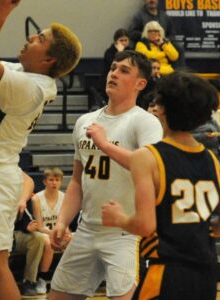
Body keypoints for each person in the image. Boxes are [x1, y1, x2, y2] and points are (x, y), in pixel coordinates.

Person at [0, 0, 82, 298]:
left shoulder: (29, 88)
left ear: (49, 60)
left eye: (40, 39)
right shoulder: (27, 76)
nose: (30, 38)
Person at [101, 72, 220, 300]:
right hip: (206, 274)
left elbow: (145, 226)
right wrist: (192, 231)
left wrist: (119, 219)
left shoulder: (147, 157)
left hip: (166, 272)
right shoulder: (211, 159)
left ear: (162, 108)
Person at [49, 50, 163, 299]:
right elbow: (77, 182)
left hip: (125, 233)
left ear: (140, 84)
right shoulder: (85, 121)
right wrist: (62, 221)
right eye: (113, 68)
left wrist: (104, 144)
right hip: (87, 229)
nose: (114, 73)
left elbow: (150, 170)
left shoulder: (145, 122)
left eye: (124, 70)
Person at [31, 167, 67, 294]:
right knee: (47, 242)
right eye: (51, 180)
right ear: (45, 182)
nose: (54, 183)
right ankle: (42, 279)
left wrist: (65, 234)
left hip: (59, 232)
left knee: (74, 239)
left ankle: (68, 280)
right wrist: (53, 234)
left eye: (57, 180)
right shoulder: (36, 199)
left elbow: (66, 224)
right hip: (43, 233)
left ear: (61, 182)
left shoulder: (65, 197)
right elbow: (40, 227)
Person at [12, 173, 47, 296]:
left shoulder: (20, 198)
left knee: (37, 238)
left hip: (14, 234)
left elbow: (28, 220)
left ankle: (29, 280)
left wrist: (28, 227)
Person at [99, 28, 132, 103]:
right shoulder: (109, 52)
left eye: (125, 40)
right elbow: (115, 65)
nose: (123, 43)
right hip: (110, 80)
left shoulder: (131, 51)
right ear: (116, 41)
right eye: (121, 40)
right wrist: (120, 52)